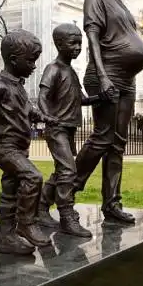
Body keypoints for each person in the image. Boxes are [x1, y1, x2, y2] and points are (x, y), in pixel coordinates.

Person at [73, 0, 143, 224]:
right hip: (106, 75)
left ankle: (112, 204)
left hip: (127, 80)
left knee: (117, 144)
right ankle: (63, 190)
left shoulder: (120, 3)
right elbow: (92, 36)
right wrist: (103, 77)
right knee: (102, 138)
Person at [0, 30, 57, 254]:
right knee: (32, 177)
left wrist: (45, 117)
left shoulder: (18, 87)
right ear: (14, 60)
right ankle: (26, 223)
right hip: (5, 148)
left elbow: (29, 111)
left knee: (11, 190)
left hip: (20, 148)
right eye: (31, 60)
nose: (34, 66)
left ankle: (6, 238)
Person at [34, 23, 98, 237]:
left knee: (62, 170)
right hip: (57, 128)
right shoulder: (53, 69)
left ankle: (41, 207)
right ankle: (67, 216)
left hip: (69, 129)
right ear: (59, 44)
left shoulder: (71, 71)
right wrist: (47, 117)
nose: (78, 47)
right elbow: (42, 97)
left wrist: (103, 98)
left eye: (80, 42)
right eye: (73, 42)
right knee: (69, 171)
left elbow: (81, 100)